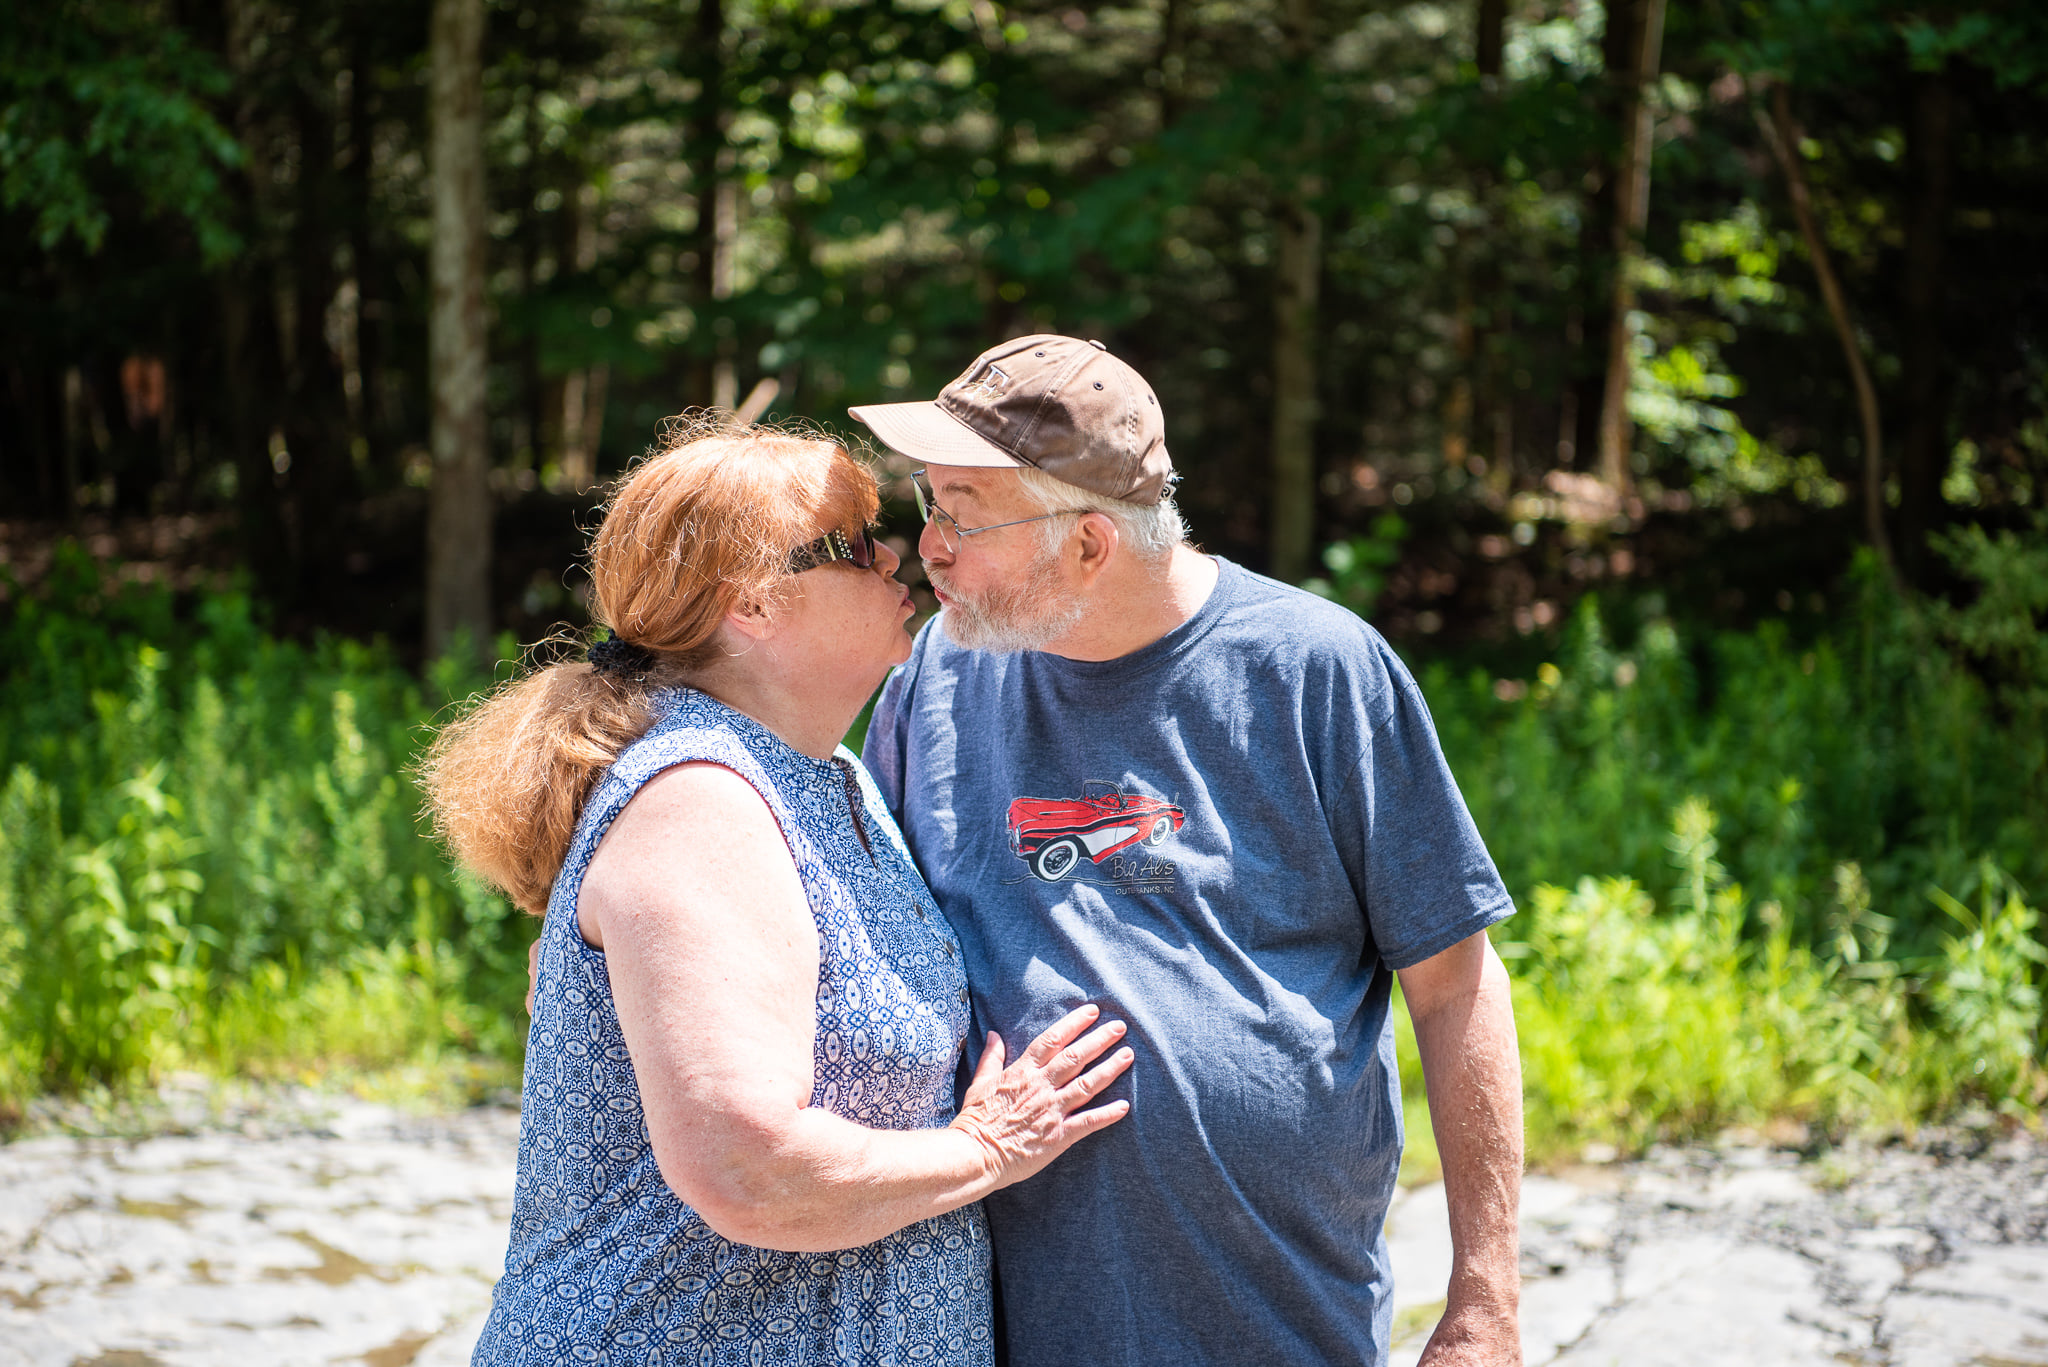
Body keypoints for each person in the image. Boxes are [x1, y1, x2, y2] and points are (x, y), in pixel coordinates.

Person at [851, 336, 1526, 1367]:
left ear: (1086, 542)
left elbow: (1453, 980)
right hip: (994, 1324)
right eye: (926, 498)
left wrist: (1484, 1300)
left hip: (1273, 1317)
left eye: (961, 510)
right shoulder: (935, 676)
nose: (924, 544)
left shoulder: (1316, 670)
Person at [420, 419, 1134, 1365]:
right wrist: (989, 1149)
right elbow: (745, 1168)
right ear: (752, 602)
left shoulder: (825, 771)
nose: (899, 556)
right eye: (853, 541)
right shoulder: (700, 801)